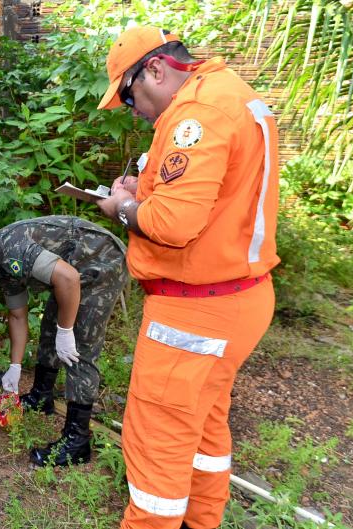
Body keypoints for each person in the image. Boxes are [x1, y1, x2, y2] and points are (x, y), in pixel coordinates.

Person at [94, 27, 280, 529]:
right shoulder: (230, 95)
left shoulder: (197, 115)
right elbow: (214, 200)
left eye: (130, 95)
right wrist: (145, 191)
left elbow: (174, 226)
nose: (134, 109)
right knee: (203, 430)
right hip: (236, 299)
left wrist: (123, 208)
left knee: (158, 441)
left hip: (196, 310)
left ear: (154, 69)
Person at [0, 215, 127, 466]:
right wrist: (15, 366)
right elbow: (17, 316)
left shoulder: (9, 249)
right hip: (73, 270)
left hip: (100, 261)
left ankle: (77, 441)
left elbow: (68, 279)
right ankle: (41, 396)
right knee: (51, 325)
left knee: (78, 344)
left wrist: (66, 330)